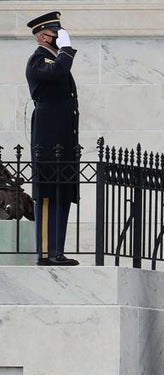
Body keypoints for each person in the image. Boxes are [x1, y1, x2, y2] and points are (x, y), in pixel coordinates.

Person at [25, 11, 80, 267]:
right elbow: (59, 70)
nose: (60, 38)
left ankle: (57, 250)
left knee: (61, 192)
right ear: (43, 36)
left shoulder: (51, 60)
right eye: (56, 34)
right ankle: (46, 253)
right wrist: (67, 50)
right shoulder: (38, 61)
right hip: (47, 138)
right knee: (48, 193)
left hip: (62, 138)